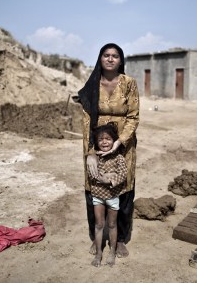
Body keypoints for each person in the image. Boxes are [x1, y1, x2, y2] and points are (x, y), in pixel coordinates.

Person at [76, 43, 139, 259]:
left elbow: (133, 117)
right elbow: (86, 123)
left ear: (121, 60)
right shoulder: (92, 85)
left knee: (122, 189)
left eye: (115, 56)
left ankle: (119, 239)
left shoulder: (129, 84)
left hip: (124, 146)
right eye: (106, 55)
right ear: (100, 58)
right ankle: (98, 238)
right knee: (94, 187)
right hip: (97, 145)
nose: (110, 59)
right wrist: (91, 153)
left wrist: (119, 142)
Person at [88, 123, 128, 267]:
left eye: (108, 138)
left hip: (112, 196)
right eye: (101, 139)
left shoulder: (119, 158)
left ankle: (112, 252)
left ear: (114, 140)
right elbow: (92, 175)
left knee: (112, 224)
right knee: (99, 225)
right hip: (98, 195)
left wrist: (110, 179)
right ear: (97, 142)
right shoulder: (94, 158)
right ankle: (99, 253)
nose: (104, 142)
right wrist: (106, 176)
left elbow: (123, 174)